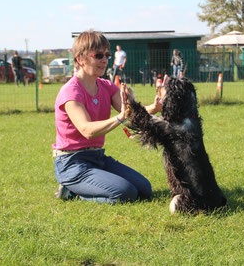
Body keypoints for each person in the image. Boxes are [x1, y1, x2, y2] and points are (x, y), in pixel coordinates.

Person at [52, 29, 164, 204]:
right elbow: (87, 130)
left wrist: (155, 107)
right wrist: (120, 118)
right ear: (80, 59)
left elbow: (130, 112)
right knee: (125, 193)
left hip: (97, 157)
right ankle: (71, 191)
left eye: (107, 55)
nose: (104, 59)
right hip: (72, 163)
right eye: (98, 55)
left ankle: (85, 186)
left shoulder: (106, 86)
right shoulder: (71, 92)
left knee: (144, 189)